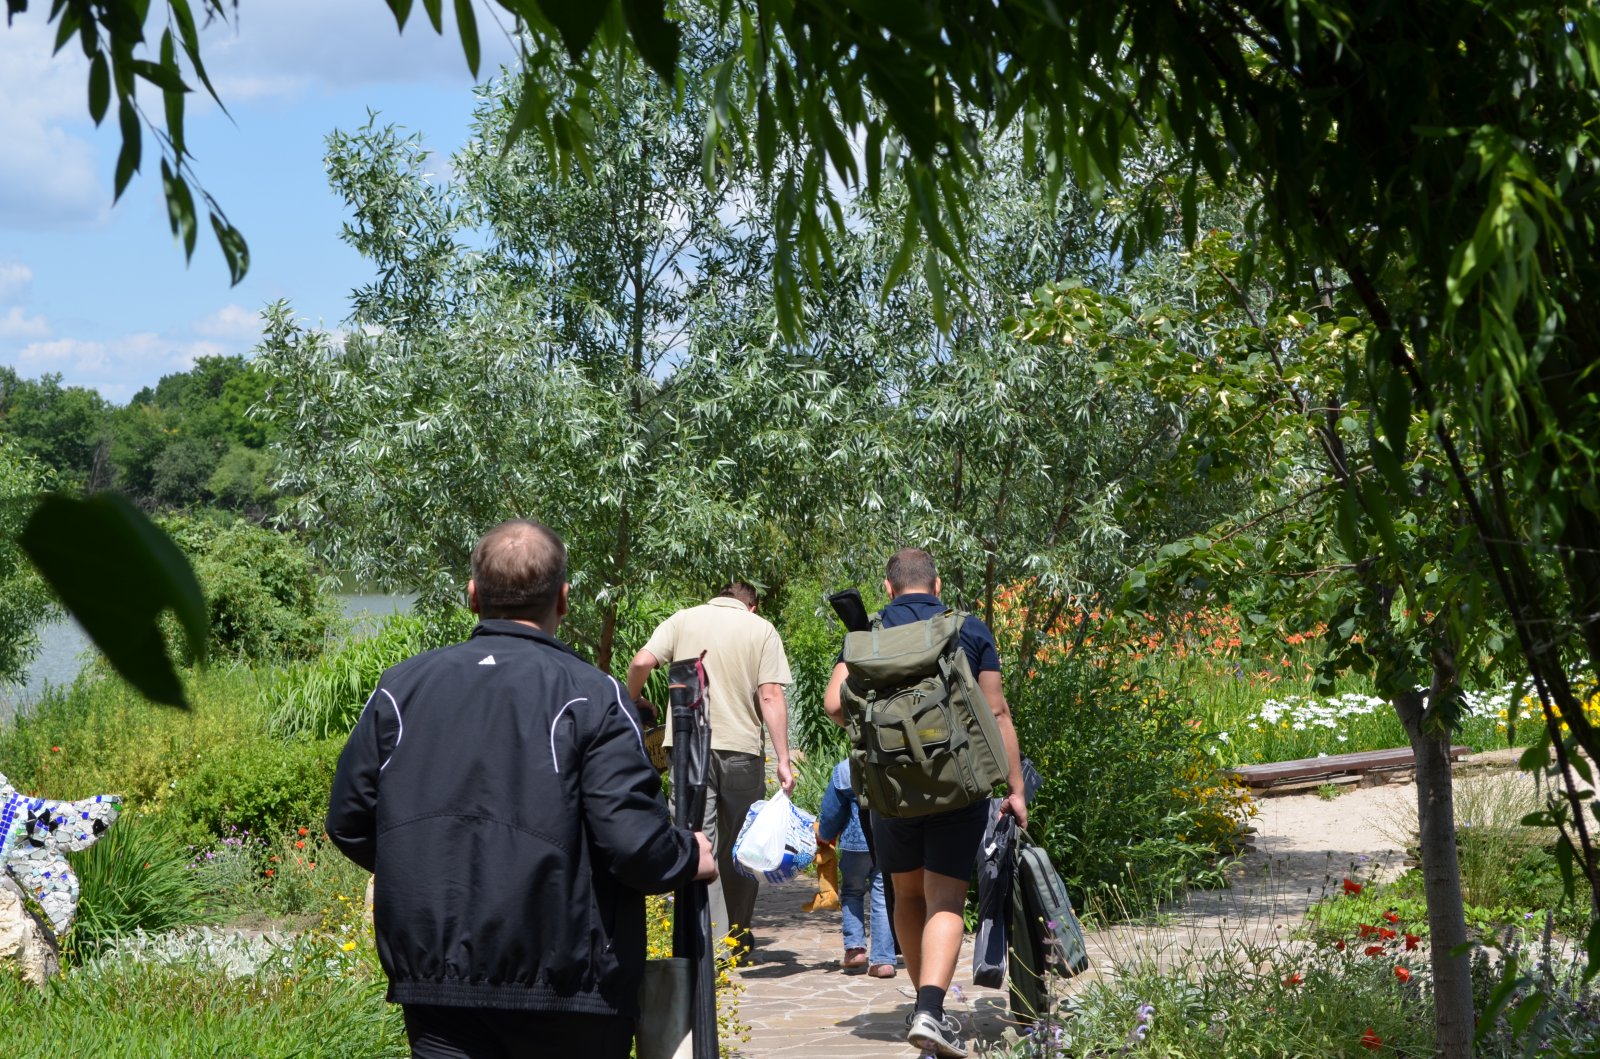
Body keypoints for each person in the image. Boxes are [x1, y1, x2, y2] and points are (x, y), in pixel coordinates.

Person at [326, 519, 715, 1059]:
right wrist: (688, 855)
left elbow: (349, 821)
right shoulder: (594, 695)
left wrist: (435, 873)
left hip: (437, 985)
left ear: (472, 596)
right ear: (564, 599)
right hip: (569, 989)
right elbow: (633, 844)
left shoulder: (401, 688)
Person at [823, 548, 1028, 1059]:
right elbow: (997, 711)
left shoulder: (867, 636)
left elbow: (832, 706)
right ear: (936, 586)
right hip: (957, 787)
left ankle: (924, 1007)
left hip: (891, 793)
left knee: (907, 896)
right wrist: (1015, 789)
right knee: (946, 900)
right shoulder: (968, 629)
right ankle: (931, 1012)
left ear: (888, 589)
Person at [626, 581, 794, 959]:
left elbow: (640, 662)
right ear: (752, 605)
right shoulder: (761, 628)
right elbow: (770, 695)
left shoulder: (683, 619)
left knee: (699, 841)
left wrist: (633, 699)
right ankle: (737, 933)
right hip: (741, 751)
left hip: (688, 748)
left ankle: (714, 947)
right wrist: (783, 760)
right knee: (743, 847)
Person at [817, 758, 895, 978]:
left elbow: (831, 812)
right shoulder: (892, 762)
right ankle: (882, 961)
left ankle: (855, 950)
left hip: (855, 845)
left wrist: (825, 834)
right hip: (886, 841)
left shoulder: (845, 769)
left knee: (852, 892)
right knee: (883, 897)